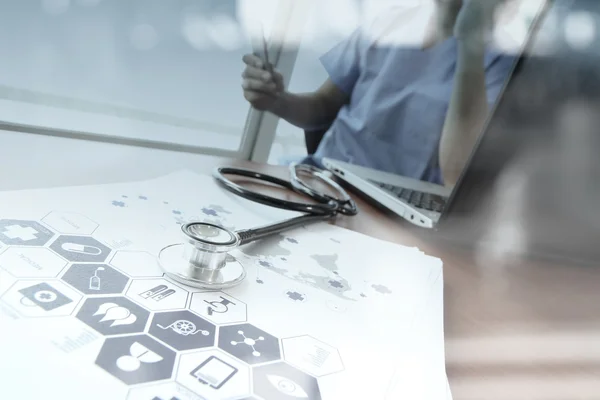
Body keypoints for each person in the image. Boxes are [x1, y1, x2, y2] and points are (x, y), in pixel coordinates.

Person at [241, 0, 521, 187]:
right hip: (322, 180)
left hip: (396, 211)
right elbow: (323, 107)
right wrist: (277, 101)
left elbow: (456, 175)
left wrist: (471, 43)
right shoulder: (390, 21)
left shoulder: (502, 63)